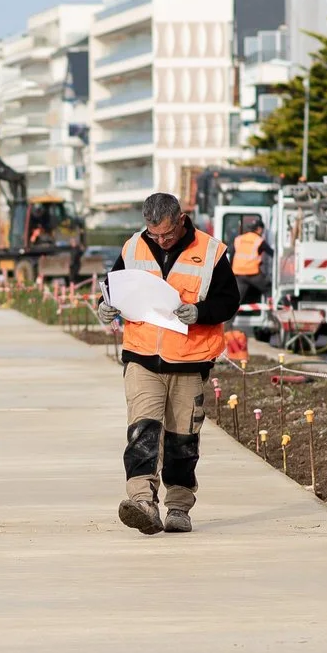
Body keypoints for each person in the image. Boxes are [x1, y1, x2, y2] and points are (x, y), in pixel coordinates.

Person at [96, 193, 242, 535]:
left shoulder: (210, 252)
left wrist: (200, 313)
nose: (159, 240)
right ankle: (142, 501)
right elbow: (112, 288)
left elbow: (229, 299)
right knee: (142, 431)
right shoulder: (134, 247)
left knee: (182, 440)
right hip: (142, 357)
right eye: (153, 234)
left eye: (166, 234)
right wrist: (104, 306)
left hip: (189, 361)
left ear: (180, 219)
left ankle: (178, 506)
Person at [228, 215, 273, 307]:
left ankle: (228, 321)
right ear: (259, 229)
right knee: (269, 290)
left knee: (236, 300)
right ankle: (272, 316)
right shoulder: (259, 240)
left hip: (239, 274)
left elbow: (232, 256)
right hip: (253, 274)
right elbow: (272, 253)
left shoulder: (239, 239)